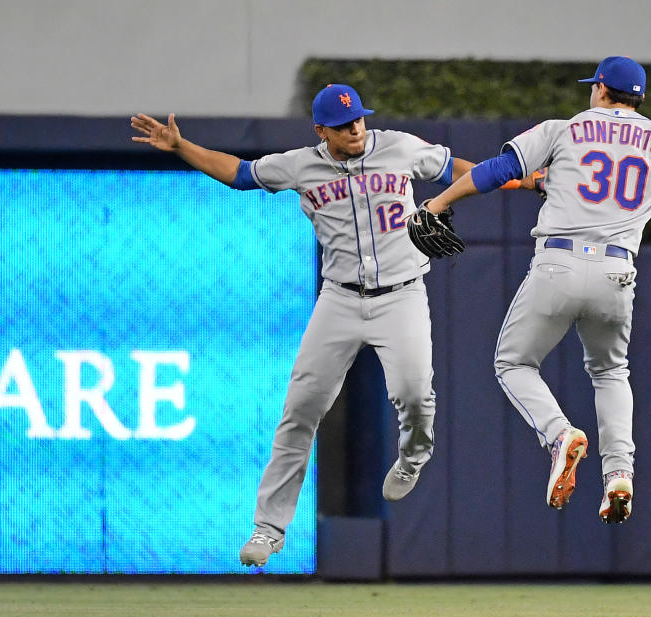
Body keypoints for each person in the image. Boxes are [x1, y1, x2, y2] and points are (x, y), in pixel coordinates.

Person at [131, 84, 528, 567]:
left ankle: (413, 458)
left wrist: (523, 181)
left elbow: (459, 170)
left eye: (358, 119)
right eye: (342, 125)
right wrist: (181, 146)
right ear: (321, 130)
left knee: (414, 394)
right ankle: (269, 528)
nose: (355, 128)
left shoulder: (400, 147)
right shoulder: (300, 165)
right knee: (300, 410)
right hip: (338, 299)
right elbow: (238, 174)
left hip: (401, 294)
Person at [422, 57, 651, 524]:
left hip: (558, 263)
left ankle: (559, 436)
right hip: (617, 273)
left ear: (602, 90)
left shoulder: (564, 130)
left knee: (512, 363)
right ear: (639, 98)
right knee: (611, 373)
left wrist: (440, 200)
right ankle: (619, 476)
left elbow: (497, 170)